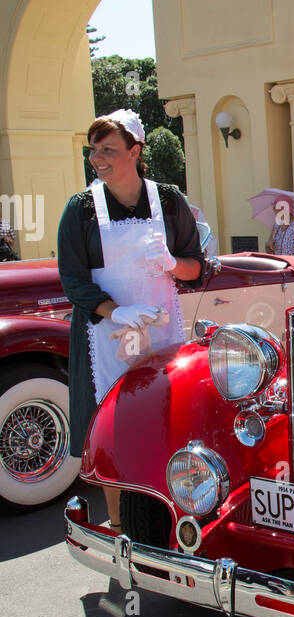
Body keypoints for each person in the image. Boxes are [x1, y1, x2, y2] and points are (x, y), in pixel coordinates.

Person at [58, 110, 204, 528]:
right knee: (113, 428)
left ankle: (169, 515)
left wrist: (171, 263)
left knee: (162, 420)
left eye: (108, 150)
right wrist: (117, 312)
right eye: (93, 151)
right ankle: (122, 524)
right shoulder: (82, 209)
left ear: (135, 152)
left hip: (160, 332)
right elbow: (73, 280)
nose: (97, 159)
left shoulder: (170, 201)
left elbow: (198, 267)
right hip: (103, 335)